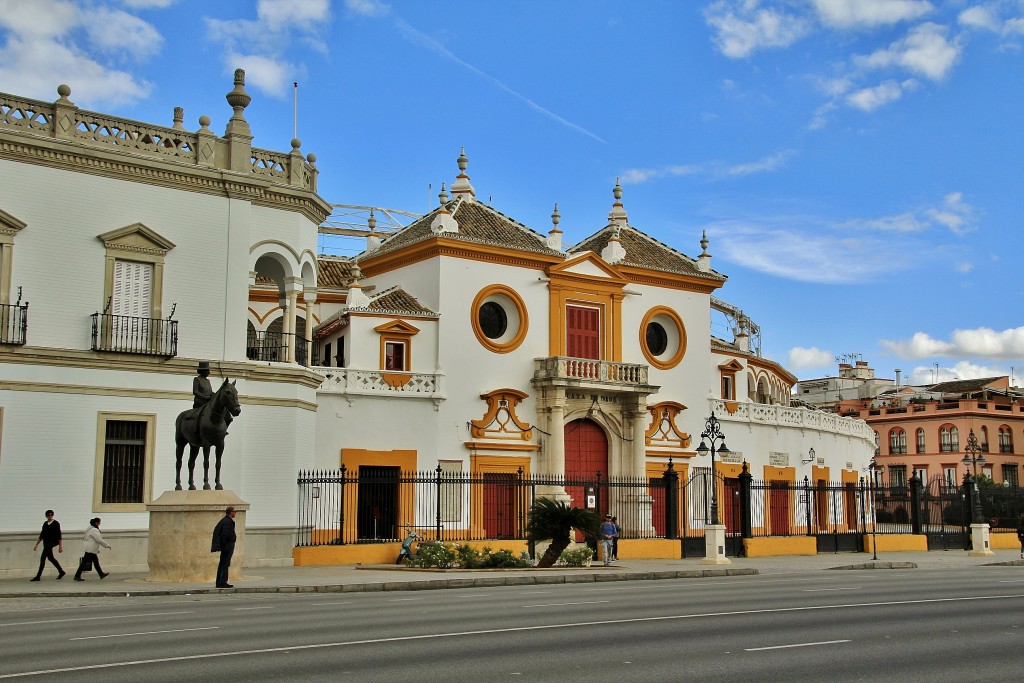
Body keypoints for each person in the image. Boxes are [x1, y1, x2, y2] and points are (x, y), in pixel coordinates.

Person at [31, 510, 65, 581]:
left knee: (43, 558)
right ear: (46, 516)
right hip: (46, 542)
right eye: (48, 515)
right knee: (50, 558)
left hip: (52, 542)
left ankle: (38, 576)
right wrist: (36, 544)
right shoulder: (45, 524)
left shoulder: (56, 523)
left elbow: (59, 535)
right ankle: (61, 571)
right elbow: (42, 534)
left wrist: (60, 546)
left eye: (51, 515)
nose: (50, 516)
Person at [211, 506, 237, 588]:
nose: (236, 513)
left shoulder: (225, 520)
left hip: (226, 545)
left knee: (222, 563)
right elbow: (225, 534)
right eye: (235, 511)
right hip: (227, 546)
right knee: (225, 564)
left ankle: (219, 582)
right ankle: (222, 582)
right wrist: (225, 545)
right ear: (230, 512)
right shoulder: (227, 522)